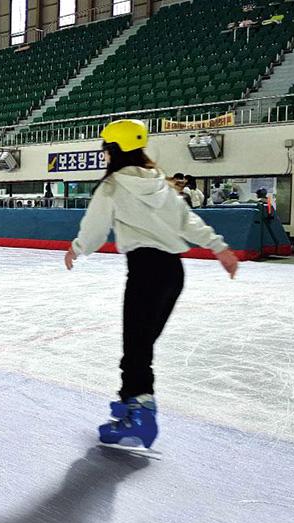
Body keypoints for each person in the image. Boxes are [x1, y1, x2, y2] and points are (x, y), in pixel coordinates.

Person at [63, 119, 238, 452]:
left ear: (114, 150)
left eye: (105, 148)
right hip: (173, 272)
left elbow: (96, 229)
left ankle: (140, 418)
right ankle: (131, 404)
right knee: (141, 346)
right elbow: (188, 221)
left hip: (145, 271)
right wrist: (220, 248)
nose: (103, 154)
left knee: (137, 349)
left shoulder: (113, 185)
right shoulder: (160, 183)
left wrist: (77, 247)